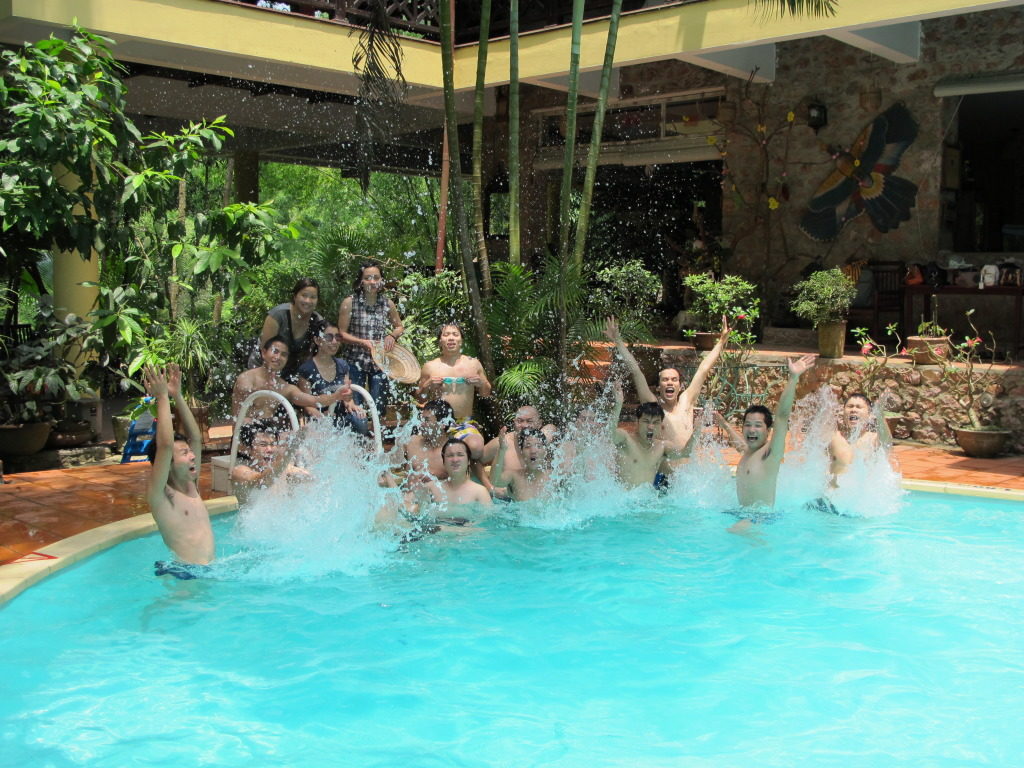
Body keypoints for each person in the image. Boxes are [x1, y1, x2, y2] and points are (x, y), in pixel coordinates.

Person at [604, 315, 730, 451]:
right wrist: (618, 341)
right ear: (658, 388)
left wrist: (721, 341)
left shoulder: (686, 403)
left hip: (686, 464)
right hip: (665, 464)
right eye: (665, 380)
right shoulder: (654, 407)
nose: (670, 382)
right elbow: (636, 371)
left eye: (674, 379)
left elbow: (703, 370)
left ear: (681, 386)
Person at [716, 355, 817, 523]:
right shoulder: (750, 452)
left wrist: (793, 378)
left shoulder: (770, 453)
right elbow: (740, 446)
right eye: (748, 425)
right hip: (744, 515)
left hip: (759, 518)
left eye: (757, 425)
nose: (751, 430)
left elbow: (782, 417)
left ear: (768, 430)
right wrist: (725, 425)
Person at [144, 364, 214, 577]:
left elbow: (196, 438)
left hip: (207, 570)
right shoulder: (161, 496)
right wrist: (162, 397)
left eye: (189, 451)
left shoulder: (191, 486)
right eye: (184, 453)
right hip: (185, 574)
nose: (192, 456)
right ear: (167, 464)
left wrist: (177, 396)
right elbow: (165, 446)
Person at [337, 260, 405, 418]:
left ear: (381, 280)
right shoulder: (350, 302)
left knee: (378, 408)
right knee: (355, 409)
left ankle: (377, 433)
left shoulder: (387, 304)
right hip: (354, 361)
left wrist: (392, 336)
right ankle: (357, 432)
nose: (372, 282)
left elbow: (399, 327)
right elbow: (341, 334)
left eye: (376, 277)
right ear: (361, 281)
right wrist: (362, 342)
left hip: (379, 361)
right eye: (367, 278)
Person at [416, 323, 492, 460]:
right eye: (446, 335)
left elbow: (485, 393)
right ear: (440, 341)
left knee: (475, 447)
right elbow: (420, 398)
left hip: (464, 423)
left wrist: (481, 383)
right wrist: (427, 385)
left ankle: (471, 468)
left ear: (461, 340)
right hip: (437, 424)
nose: (451, 338)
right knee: (425, 455)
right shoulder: (430, 366)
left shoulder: (473, 364)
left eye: (455, 335)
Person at [232, 337, 346, 425]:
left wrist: (337, 396)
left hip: (269, 433)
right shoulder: (247, 378)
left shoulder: (285, 387)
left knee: (306, 434)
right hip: (245, 434)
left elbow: (313, 400)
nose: (278, 357)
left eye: (284, 355)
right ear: (263, 353)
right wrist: (263, 388)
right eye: (275, 351)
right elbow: (243, 396)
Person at [608, 380, 688, 488]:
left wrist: (697, 431)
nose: (651, 427)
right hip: (623, 497)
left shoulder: (662, 447)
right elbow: (610, 435)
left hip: (648, 497)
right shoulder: (625, 439)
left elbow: (685, 453)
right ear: (637, 422)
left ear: (660, 426)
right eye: (646, 421)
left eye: (655, 423)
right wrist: (618, 405)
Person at [296, 323, 369, 435]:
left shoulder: (342, 365)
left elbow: (347, 395)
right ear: (317, 340)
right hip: (318, 419)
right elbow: (306, 404)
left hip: (340, 416)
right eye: (329, 337)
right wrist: (322, 418)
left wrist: (351, 405)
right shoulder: (306, 369)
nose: (335, 341)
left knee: (360, 420)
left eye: (337, 337)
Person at [255, 277, 324, 381]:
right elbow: (265, 350)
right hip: (263, 365)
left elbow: (317, 355)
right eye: (304, 295)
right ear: (295, 296)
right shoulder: (278, 315)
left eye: (313, 297)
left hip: (292, 371)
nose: (308, 301)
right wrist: (270, 379)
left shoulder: (318, 321)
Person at [229, 421, 313, 505]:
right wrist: (289, 451)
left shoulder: (285, 469)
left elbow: (310, 479)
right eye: (263, 445)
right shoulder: (240, 471)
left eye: (273, 444)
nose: (270, 449)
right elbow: (263, 482)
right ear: (248, 449)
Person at [413, 438, 493, 513]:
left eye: (460, 455)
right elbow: (413, 510)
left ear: (468, 461)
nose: (455, 460)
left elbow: (487, 520)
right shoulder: (431, 489)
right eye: (450, 455)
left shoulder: (480, 492)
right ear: (444, 462)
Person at [829, 392, 892, 478]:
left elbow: (887, 442)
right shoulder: (834, 438)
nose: (853, 410)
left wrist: (880, 415)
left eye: (858, 407)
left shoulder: (873, 440)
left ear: (869, 415)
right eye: (850, 406)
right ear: (843, 412)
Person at [482, 405, 558, 472]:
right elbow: (477, 461)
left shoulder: (544, 438)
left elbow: (551, 428)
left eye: (529, 421)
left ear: (539, 424)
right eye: (519, 421)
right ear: (514, 423)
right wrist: (487, 483)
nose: (524, 425)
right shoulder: (502, 443)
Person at [490, 427, 554, 502]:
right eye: (527, 446)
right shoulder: (515, 476)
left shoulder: (554, 477)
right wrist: (502, 449)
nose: (533, 451)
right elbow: (495, 481)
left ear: (545, 451)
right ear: (521, 452)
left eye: (538, 446)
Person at [397, 399, 456, 480]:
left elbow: (463, 485)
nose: (421, 424)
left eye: (427, 420)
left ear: (443, 423)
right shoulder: (410, 443)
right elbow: (388, 470)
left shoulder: (454, 453)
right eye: (422, 419)